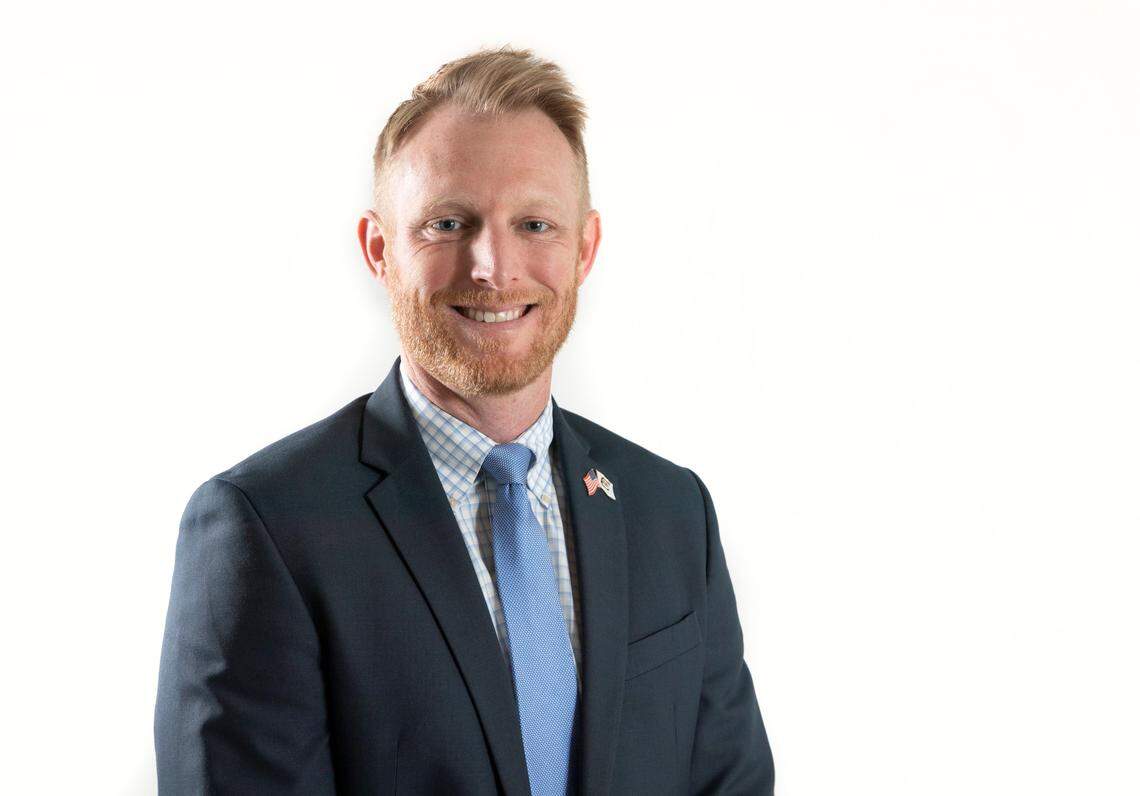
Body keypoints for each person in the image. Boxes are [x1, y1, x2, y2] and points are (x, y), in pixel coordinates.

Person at [154, 46, 775, 795]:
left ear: (586, 249)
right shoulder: (267, 529)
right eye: (448, 223)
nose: (493, 266)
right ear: (379, 250)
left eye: (536, 224)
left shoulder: (673, 515)